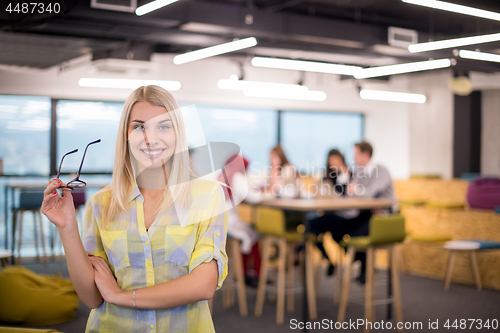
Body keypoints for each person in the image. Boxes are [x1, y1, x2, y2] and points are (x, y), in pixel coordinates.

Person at [41, 85, 228, 333]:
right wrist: (66, 227)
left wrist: (120, 296)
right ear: (126, 135)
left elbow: (203, 285)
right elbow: (92, 298)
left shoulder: (207, 196)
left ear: (177, 134)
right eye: (139, 126)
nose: (151, 138)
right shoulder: (101, 204)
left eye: (163, 126)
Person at [218, 154, 263, 287]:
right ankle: (255, 273)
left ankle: (245, 272)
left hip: (218, 223)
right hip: (230, 223)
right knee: (253, 234)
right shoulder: (237, 177)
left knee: (248, 234)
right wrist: (265, 193)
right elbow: (251, 197)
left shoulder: (222, 175)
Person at [309, 149, 352, 276]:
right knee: (311, 229)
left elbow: (347, 194)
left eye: (336, 160)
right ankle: (329, 259)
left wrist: (344, 172)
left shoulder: (349, 175)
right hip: (328, 214)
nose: (334, 164)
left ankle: (297, 252)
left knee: (311, 228)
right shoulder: (327, 177)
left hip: (342, 215)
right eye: (331, 161)